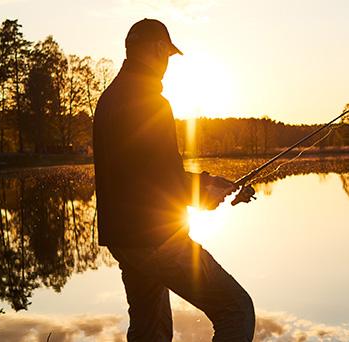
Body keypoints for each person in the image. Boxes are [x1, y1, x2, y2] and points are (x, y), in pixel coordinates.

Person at [92, 18, 255, 342]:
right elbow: (163, 182)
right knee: (236, 309)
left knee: (150, 331)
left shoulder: (109, 99)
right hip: (157, 240)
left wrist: (206, 182)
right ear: (157, 48)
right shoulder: (150, 101)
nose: (167, 64)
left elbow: (146, 170)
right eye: (167, 55)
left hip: (125, 241)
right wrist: (202, 197)